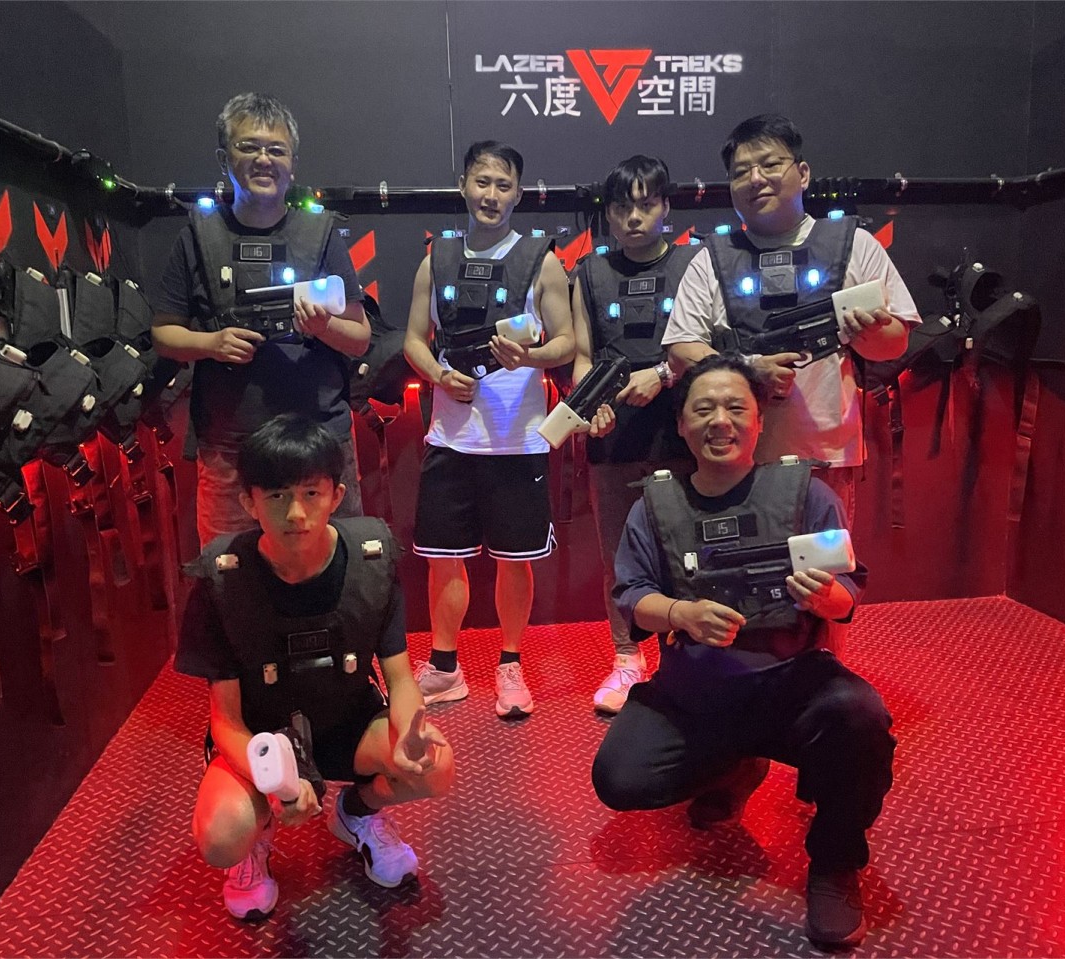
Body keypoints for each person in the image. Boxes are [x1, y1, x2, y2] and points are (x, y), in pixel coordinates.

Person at [590, 354, 896, 951]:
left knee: (860, 718)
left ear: (759, 420)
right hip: (695, 693)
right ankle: (737, 766)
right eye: (703, 409)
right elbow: (632, 595)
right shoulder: (654, 505)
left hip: (792, 684)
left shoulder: (806, 494)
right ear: (682, 424)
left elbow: (847, 594)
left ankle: (835, 865)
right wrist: (680, 614)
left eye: (736, 408)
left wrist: (828, 597)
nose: (720, 421)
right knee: (620, 778)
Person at [175, 413, 454, 921]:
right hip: (263, 740)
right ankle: (258, 838)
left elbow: (399, 679)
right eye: (277, 496)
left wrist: (408, 730)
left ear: (336, 495)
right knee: (221, 836)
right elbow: (226, 720)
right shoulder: (222, 580)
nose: (296, 512)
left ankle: (357, 813)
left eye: (311, 493)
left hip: (349, 723)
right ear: (249, 502)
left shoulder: (372, 560)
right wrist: (273, 783)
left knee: (435, 766)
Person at [663, 113, 920, 525]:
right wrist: (749, 370)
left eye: (769, 164)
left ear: (802, 174)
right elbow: (680, 349)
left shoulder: (855, 245)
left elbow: (895, 343)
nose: (756, 179)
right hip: (733, 462)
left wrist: (867, 332)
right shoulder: (711, 258)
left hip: (825, 456)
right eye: (741, 172)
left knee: (823, 562)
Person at [402, 141, 575, 719]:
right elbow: (413, 340)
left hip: (517, 441)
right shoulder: (437, 259)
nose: (491, 195)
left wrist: (529, 359)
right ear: (463, 186)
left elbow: (567, 342)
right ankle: (445, 668)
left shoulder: (542, 260)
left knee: (514, 560)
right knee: (443, 559)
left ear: (518, 193)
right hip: (451, 439)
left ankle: (510, 665)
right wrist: (438, 376)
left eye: (503, 185)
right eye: (482, 182)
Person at [152, 92, 371, 547]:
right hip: (230, 446)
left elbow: (359, 338)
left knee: (336, 567)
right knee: (229, 570)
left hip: (319, 441)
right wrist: (211, 344)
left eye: (276, 150)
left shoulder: (321, 234)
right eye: (248, 146)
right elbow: (163, 333)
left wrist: (323, 328)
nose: (264, 159)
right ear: (224, 158)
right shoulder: (197, 236)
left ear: (293, 164)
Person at [569, 155, 700, 714]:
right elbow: (582, 356)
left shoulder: (695, 263)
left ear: (666, 207)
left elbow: (713, 343)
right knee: (620, 556)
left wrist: (664, 374)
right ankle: (627, 659)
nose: (634, 218)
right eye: (623, 207)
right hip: (615, 437)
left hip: (686, 433)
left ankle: (691, 658)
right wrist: (587, 408)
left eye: (647, 204)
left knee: (689, 551)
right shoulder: (589, 272)